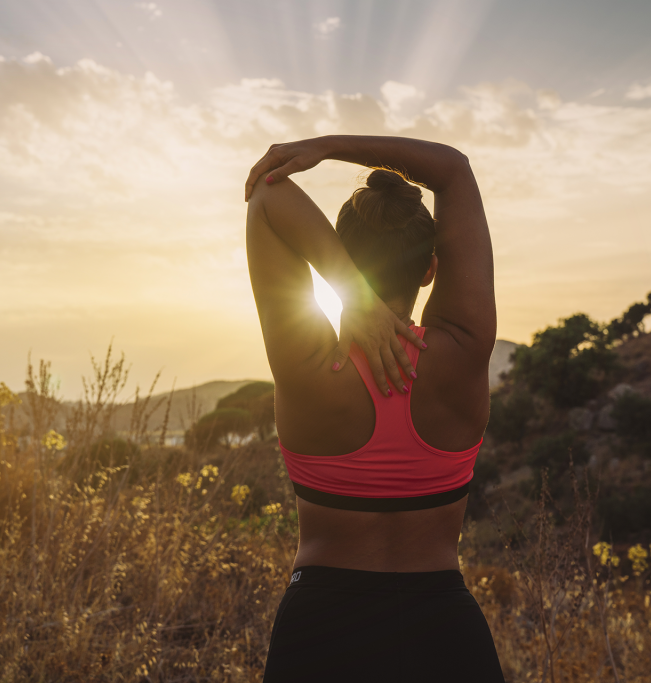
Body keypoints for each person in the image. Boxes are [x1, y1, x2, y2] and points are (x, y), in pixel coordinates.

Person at [244, 135, 505, 682]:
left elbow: (268, 200)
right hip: (444, 633)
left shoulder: (308, 365)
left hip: (321, 631)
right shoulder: (462, 349)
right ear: (431, 268)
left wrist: (353, 292)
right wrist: (328, 147)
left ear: (340, 264)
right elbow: (453, 170)